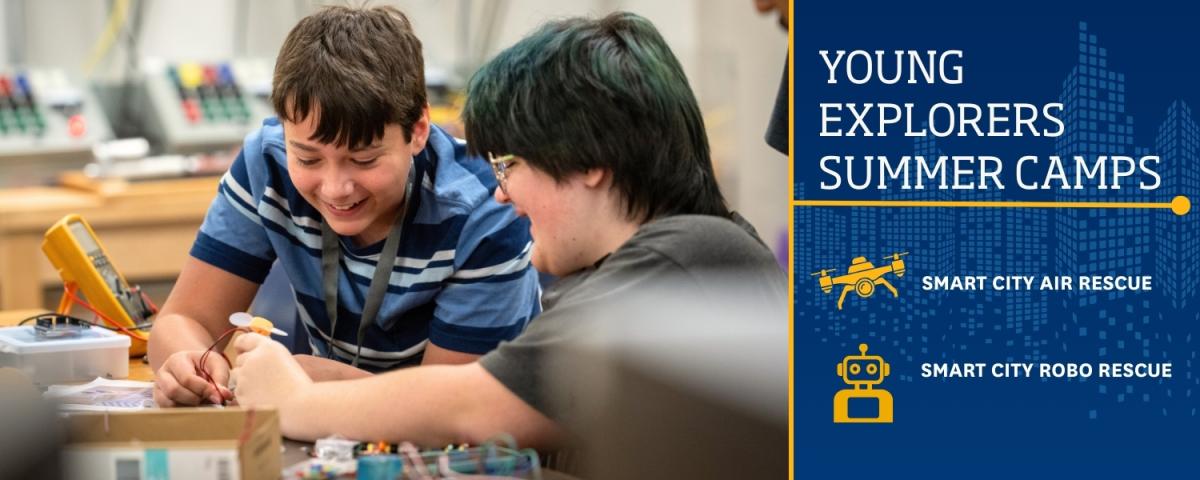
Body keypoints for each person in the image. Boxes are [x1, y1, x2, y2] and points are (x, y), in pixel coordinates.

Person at [228, 11, 786, 448]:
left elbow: (478, 405)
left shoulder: (690, 255)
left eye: (510, 166)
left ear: (588, 160)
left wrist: (294, 401)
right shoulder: (645, 264)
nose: (501, 193)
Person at [148, 5, 541, 407]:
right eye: (308, 159)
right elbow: (183, 320)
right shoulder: (266, 164)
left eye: (364, 160)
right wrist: (188, 362)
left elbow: (451, 412)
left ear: (418, 130)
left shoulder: (486, 209)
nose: (336, 189)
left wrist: (326, 387)